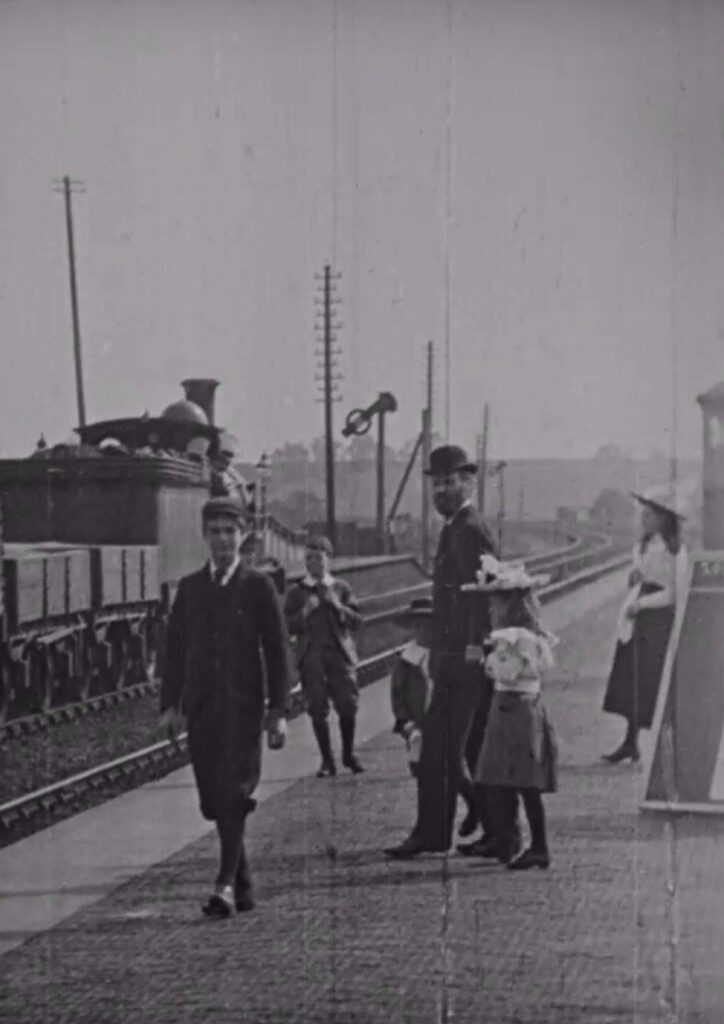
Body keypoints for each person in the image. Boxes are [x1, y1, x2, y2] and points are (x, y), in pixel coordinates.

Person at [159, 496, 292, 918]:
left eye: (229, 531)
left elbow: (277, 651)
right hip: (201, 709)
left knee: (234, 793)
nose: (222, 540)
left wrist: (279, 711)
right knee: (214, 802)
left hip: (243, 709)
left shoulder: (258, 586)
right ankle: (246, 886)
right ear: (204, 536)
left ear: (243, 535)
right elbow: (174, 650)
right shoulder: (191, 588)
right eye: (214, 531)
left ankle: (225, 887)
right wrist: (169, 704)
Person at [385, 444, 500, 859]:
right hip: (452, 657)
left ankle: (433, 835)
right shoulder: (457, 527)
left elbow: (485, 596)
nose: (442, 491)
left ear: (469, 482)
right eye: (437, 484)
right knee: (465, 750)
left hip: (464, 660)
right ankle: (497, 833)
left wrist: (473, 648)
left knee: (440, 751)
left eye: (450, 482)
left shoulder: (470, 529)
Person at [459, 556, 558, 869]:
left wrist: (486, 662)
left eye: (496, 604)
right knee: (508, 780)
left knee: (524, 784)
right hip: (510, 711)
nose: (491, 610)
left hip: (516, 713)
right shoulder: (514, 637)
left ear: (512, 606)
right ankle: (511, 842)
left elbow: (509, 672)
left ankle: (537, 846)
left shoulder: (520, 640)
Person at [601, 491, 689, 763]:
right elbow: (641, 578)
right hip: (637, 619)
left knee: (648, 682)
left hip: (657, 619)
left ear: (662, 518)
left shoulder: (676, 550)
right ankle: (630, 742)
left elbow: (674, 593)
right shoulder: (643, 545)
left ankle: (644, 744)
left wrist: (643, 604)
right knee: (630, 680)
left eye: (648, 515)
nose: (643, 519)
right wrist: (634, 580)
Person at [284, 535, 364, 777]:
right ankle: (327, 760)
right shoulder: (297, 592)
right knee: (317, 706)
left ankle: (348, 754)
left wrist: (338, 606)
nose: (312, 563)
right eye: (308, 558)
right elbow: (286, 625)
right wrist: (304, 613)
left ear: (329, 560)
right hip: (312, 656)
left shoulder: (341, 588)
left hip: (339, 654)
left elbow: (358, 621)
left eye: (318, 558)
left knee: (348, 704)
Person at [390, 597, 434, 778]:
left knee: (453, 772)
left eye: (428, 625)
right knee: (421, 771)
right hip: (418, 724)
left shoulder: (445, 652)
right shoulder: (406, 660)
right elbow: (397, 695)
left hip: (445, 722)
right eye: (418, 626)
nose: (423, 630)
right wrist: (407, 723)